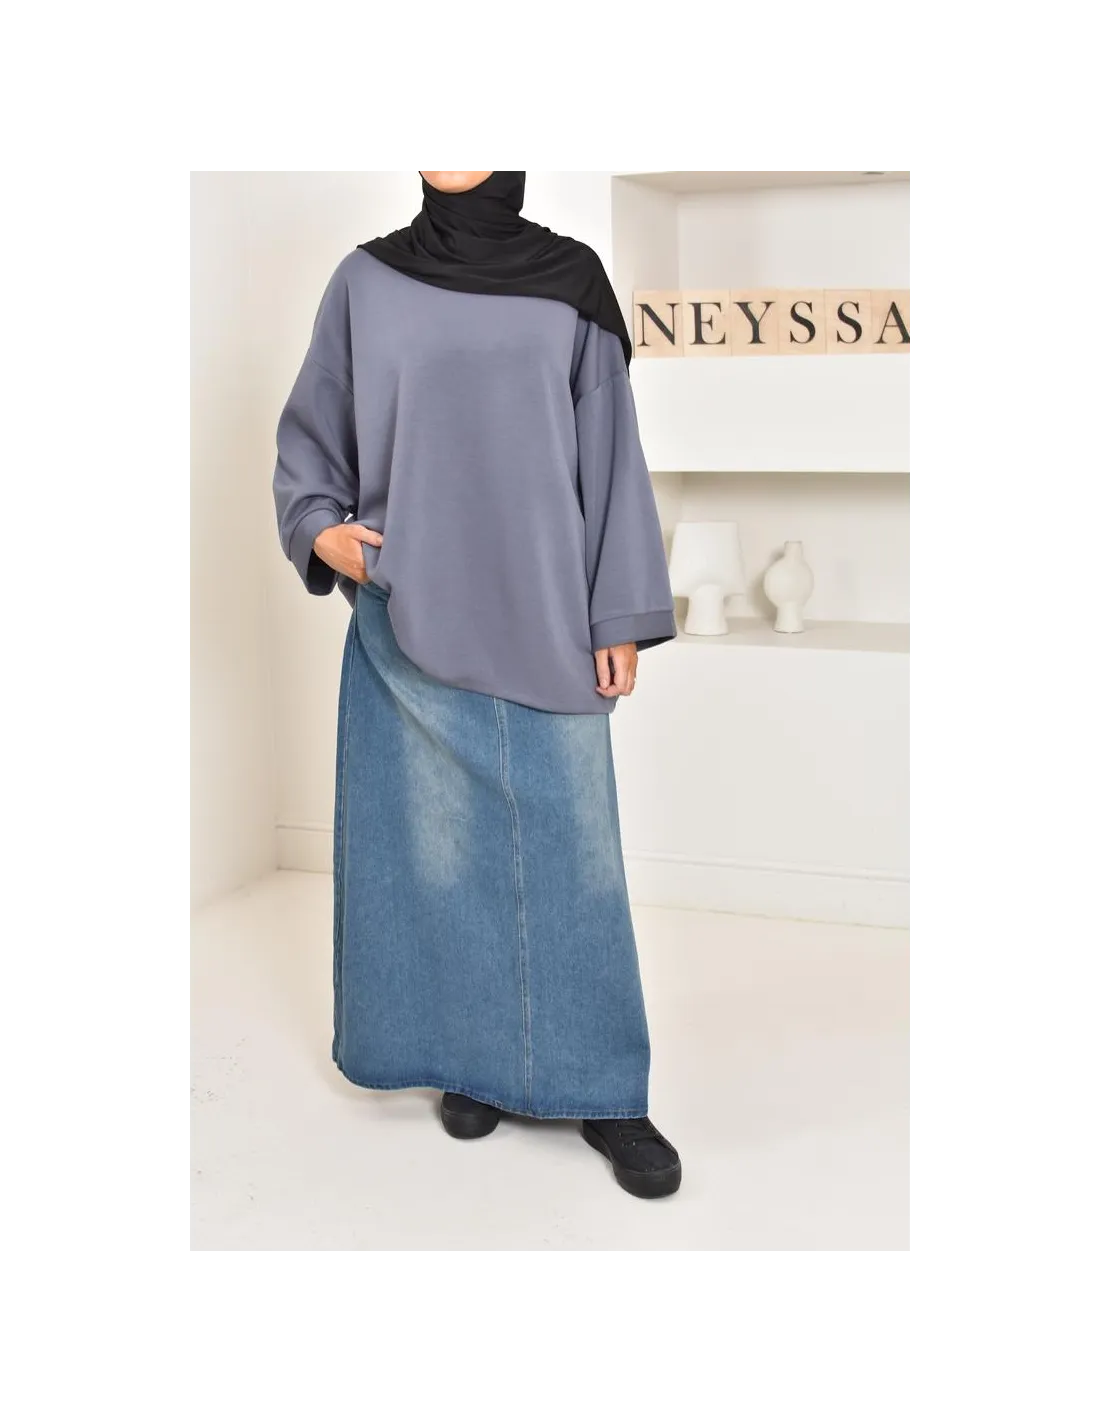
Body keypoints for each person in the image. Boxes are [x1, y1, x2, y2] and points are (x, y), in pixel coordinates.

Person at [272, 168, 681, 1199]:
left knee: (576, 859)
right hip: (411, 616)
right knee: (443, 857)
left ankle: (605, 1090)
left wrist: (618, 613)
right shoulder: (365, 282)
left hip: (547, 612)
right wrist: (322, 529)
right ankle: (475, 1061)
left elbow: (610, 458)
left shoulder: (570, 280)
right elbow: (314, 427)